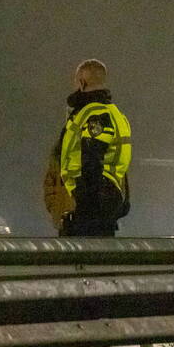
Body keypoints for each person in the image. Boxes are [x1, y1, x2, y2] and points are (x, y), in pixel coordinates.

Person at [55, 59, 132, 236]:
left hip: (95, 200)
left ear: (82, 83)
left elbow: (91, 160)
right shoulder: (114, 113)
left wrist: (85, 205)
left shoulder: (94, 114)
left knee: (84, 256)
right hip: (107, 196)